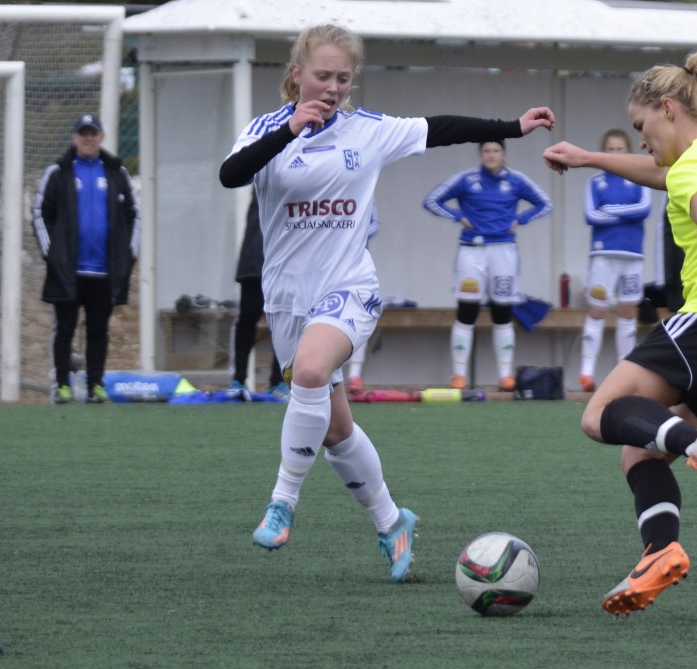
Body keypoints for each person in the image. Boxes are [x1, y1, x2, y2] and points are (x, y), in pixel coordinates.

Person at [219, 23, 554, 582]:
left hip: (349, 287)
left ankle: (282, 503)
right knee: (334, 429)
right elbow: (231, 175)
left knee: (309, 372)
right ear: (297, 74)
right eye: (323, 76)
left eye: (343, 78)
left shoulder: (367, 131)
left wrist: (510, 128)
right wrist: (289, 130)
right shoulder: (265, 130)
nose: (333, 87)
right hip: (286, 300)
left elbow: (439, 127)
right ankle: (392, 521)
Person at [543, 44, 697, 615]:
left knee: (599, 414)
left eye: (641, 127)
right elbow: (662, 175)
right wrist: (589, 158)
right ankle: (661, 551)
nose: (641, 141)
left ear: (668, 109)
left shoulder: (696, 167)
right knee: (640, 452)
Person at [423, 140, 552, 391]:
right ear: (480, 153)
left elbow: (545, 203)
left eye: (495, 151)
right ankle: (458, 375)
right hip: (472, 252)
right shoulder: (466, 179)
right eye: (486, 151)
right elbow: (432, 200)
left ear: (503, 153)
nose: (491, 155)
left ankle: (505, 376)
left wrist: (520, 219)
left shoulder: (516, 180)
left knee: (502, 313)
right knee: (466, 311)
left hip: (504, 252)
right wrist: (458, 217)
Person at [32, 113, 140, 405]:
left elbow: (134, 216)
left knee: (98, 331)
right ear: (75, 138)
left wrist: (127, 257)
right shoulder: (59, 172)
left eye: (93, 134)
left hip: (104, 271)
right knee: (64, 329)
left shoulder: (117, 173)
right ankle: (62, 385)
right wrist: (53, 255)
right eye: (84, 134)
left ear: (101, 137)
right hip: (68, 270)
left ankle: (95, 386)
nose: (89, 139)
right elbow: (40, 213)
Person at [578, 129, 652, 393]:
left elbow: (644, 209)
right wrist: (624, 215)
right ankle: (586, 372)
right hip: (602, 254)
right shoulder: (595, 182)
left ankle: (624, 373)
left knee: (627, 313)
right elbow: (591, 216)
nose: (615, 154)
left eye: (620, 149)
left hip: (632, 255)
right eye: (610, 149)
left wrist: (609, 210)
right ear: (603, 152)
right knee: (597, 311)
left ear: (628, 152)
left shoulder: (640, 179)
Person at [228, 194, 289, 401]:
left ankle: (278, 382)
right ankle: (238, 381)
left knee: (283, 322)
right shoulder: (261, 180)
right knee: (247, 318)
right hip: (254, 261)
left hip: (284, 263)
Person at [345, 203, 380, 395]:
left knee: (358, 315)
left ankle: (354, 375)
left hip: (357, 264)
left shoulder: (365, 189)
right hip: (326, 265)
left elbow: (374, 224)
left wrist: (353, 235)